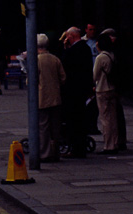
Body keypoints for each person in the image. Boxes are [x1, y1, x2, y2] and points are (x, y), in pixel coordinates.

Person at [61, 26, 93, 157]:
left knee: (73, 120)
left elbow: (65, 67)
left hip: (72, 90)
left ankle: (76, 148)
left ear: (71, 36)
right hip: (82, 89)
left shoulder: (72, 51)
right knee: (81, 118)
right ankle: (80, 146)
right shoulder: (85, 48)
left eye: (67, 36)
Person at [37, 33, 66, 162]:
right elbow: (63, 78)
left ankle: (45, 153)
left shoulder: (36, 60)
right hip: (56, 97)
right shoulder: (55, 59)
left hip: (41, 98)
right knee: (55, 127)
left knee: (43, 126)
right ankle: (56, 152)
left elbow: (30, 80)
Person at [94, 30, 120, 153]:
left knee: (105, 118)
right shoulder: (112, 55)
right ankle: (115, 142)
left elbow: (95, 75)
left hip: (102, 89)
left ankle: (108, 145)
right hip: (113, 88)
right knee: (113, 118)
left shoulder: (100, 57)